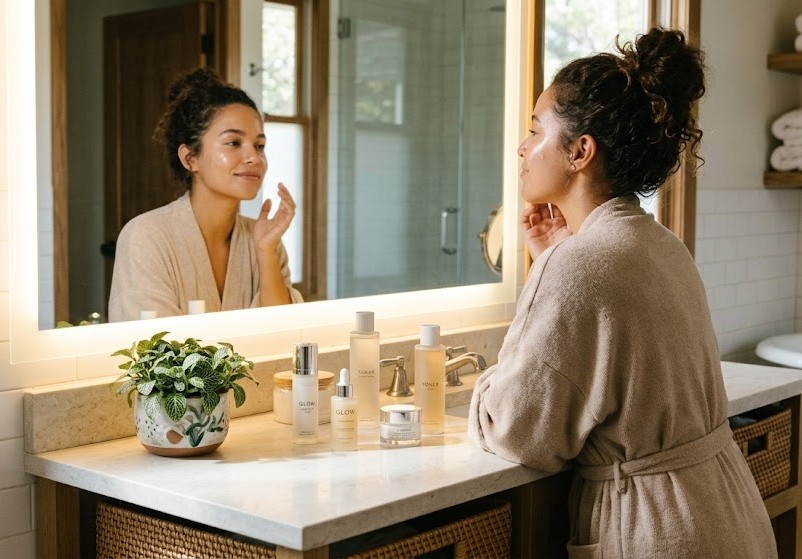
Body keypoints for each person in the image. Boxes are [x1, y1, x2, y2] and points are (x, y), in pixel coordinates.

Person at [468, 28, 777, 558]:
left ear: (580, 151)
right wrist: (555, 257)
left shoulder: (578, 264)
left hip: (660, 531)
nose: (522, 147)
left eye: (535, 129)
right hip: (728, 513)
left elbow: (519, 432)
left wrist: (484, 387)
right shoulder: (660, 244)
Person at [108, 68, 303, 322]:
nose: (254, 158)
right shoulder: (145, 237)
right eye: (233, 143)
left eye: (259, 146)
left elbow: (282, 331)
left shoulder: (266, 241)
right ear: (190, 158)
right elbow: (155, 344)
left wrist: (266, 252)